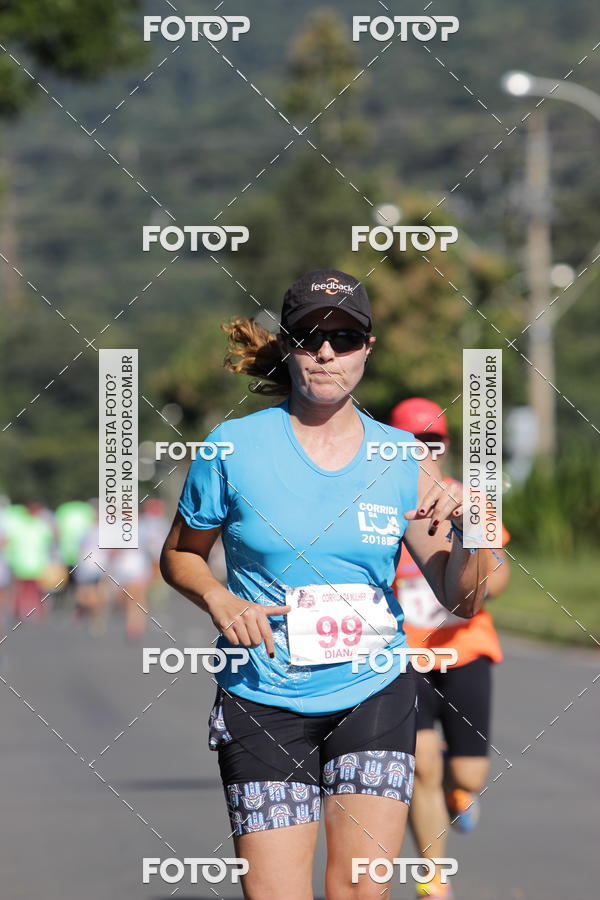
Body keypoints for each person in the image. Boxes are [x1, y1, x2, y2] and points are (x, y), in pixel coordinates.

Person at [161, 269, 488, 900]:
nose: (327, 352)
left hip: (374, 691)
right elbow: (180, 555)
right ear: (288, 346)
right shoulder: (231, 447)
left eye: (344, 337)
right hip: (263, 695)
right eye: (310, 336)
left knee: (361, 890)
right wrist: (219, 598)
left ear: (368, 348)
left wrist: (475, 534)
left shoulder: (402, 457)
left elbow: (462, 597)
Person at [389, 398, 510, 900]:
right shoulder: (382, 502)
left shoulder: (468, 499)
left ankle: (457, 786)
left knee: (467, 776)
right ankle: (432, 877)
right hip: (404, 655)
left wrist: (471, 578)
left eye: (432, 441)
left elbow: (498, 573)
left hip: (464, 648)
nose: (424, 450)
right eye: (412, 441)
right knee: (420, 764)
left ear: (446, 445)